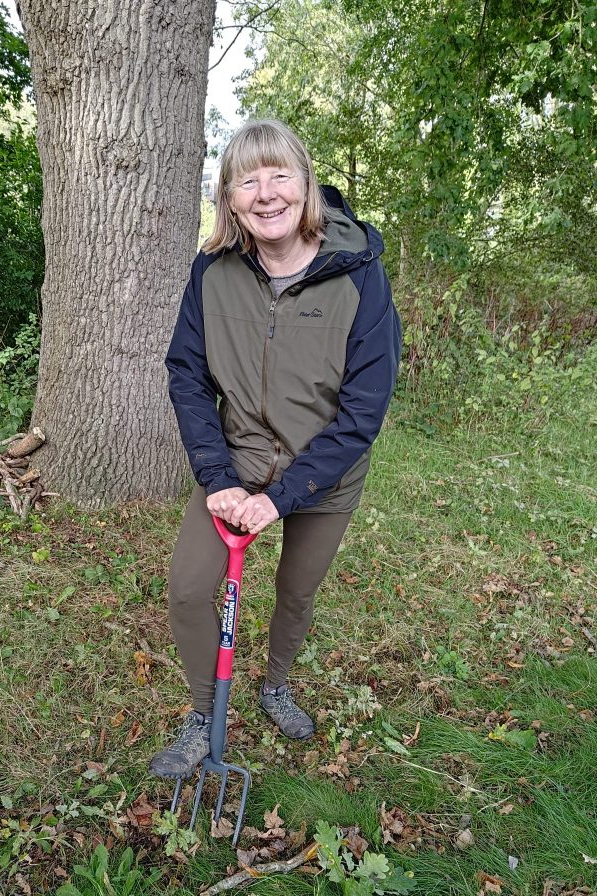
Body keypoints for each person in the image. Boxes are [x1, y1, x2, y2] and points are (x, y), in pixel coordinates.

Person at [149, 119, 401, 778]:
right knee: (186, 590)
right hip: (234, 463)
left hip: (326, 476)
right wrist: (219, 477)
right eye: (247, 179)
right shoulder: (212, 271)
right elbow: (187, 374)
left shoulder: (360, 275)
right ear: (229, 199)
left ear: (306, 184)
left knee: (295, 593)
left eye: (279, 174)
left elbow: (363, 412)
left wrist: (283, 497)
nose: (266, 193)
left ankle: (275, 686)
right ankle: (205, 714)